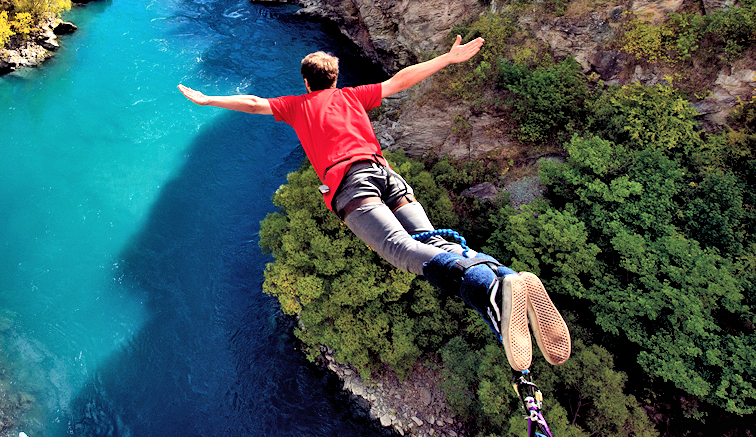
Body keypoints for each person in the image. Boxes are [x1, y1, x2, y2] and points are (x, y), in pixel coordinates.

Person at [178, 37, 570, 372]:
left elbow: (252, 102)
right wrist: (448, 58)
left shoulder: (297, 106)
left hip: (351, 183)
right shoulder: (353, 96)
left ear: (305, 81)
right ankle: (502, 276)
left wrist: (208, 100)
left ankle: (489, 290)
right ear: (336, 77)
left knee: (400, 250)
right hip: (386, 174)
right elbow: (401, 80)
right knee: (431, 241)